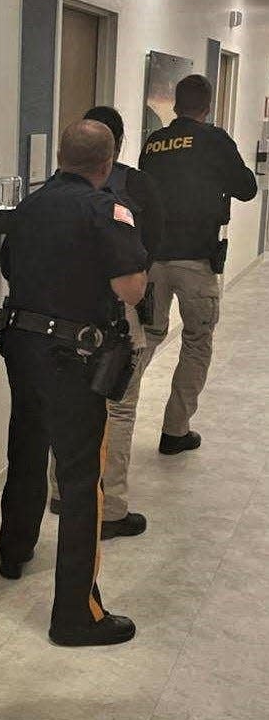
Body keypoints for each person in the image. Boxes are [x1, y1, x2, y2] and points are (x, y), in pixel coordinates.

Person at [0, 120, 147, 646]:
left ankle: (13, 552)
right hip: (75, 355)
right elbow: (131, 289)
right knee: (83, 480)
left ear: (61, 156)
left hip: (20, 344)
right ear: (107, 164)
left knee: (27, 444)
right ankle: (76, 616)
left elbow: (9, 266)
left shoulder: (28, 206)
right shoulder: (106, 208)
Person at [49, 106, 164, 539]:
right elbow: (149, 253)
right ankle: (111, 505)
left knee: (65, 408)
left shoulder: (45, 197)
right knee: (119, 409)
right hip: (114, 319)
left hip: (55, 323)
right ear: (113, 151)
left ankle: (60, 491)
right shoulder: (133, 189)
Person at [139, 75, 257, 455]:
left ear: (175, 105)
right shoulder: (215, 139)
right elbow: (247, 188)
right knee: (196, 340)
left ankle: (114, 415)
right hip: (195, 260)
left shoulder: (154, 142)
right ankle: (175, 431)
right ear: (208, 106)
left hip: (152, 259)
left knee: (146, 338)